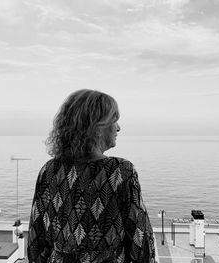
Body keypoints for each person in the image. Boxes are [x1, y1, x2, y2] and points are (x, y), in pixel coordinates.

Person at [27, 89, 155, 263]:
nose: (118, 127)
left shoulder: (49, 170)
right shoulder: (120, 171)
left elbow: (36, 242)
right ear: (96, 126)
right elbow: (141, 242)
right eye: (114, 120)